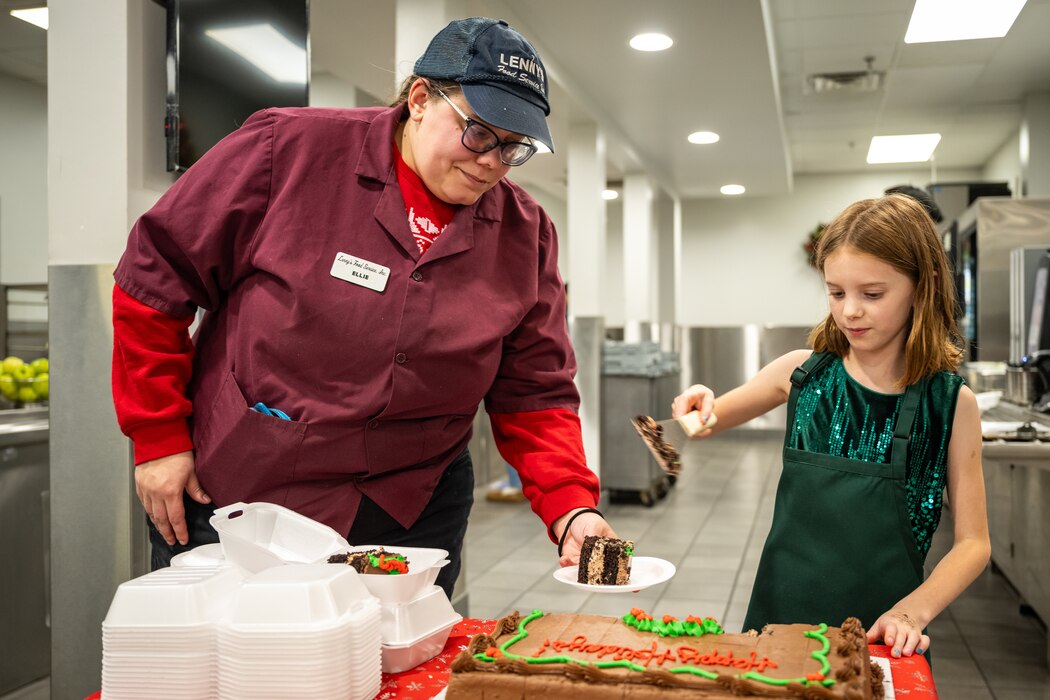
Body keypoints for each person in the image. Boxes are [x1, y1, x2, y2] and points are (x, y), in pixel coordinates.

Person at [110, 17, 617, 598]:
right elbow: (154, 279)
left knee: (388, 673)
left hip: (409, 509)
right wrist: (158, 438)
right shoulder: (288, 152)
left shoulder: (526, 234)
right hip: (242, 491)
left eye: (515, 148)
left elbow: (535, 389)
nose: (492, 163)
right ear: (422, 98)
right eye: (479, 133)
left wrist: (571, 507)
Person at [672, 194, 989, 659]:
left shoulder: (950, 405)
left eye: (872, 294)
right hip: (776, 622)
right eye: (836, 293)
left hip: (879, 635)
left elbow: (973, 543)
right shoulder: (801, 373)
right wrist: (698, 404)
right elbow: (706, 421)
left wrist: (912, 613)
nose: (850, 311)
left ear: (925, 285)